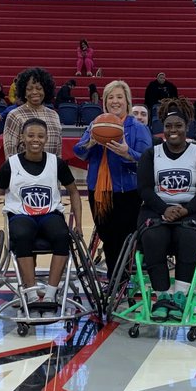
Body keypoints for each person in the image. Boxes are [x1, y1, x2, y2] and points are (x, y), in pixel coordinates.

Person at [136, 98, 196, 320]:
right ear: (163, 129)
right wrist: (164, 209)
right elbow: (144, 189)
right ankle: (162, 295)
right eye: (169, 126)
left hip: (190, 211)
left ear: (186, 127)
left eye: (178, 126)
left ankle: (180, 295)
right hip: (156, 209)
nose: (173, 130)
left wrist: (186, 209)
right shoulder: (151, 154)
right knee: (153, 237)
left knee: (188, 236)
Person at [0, 119, 83, 304]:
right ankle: (30, 293)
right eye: (31, 135)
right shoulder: (11, 164)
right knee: (22, 235)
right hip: (21, 215)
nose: (35, 140)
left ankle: (50, 292)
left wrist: (78, 224)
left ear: (46, 138)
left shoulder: (57, 163)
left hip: (49, 214)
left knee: (62, 235)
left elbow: (73, 191)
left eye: (40, 136)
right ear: (23, 137)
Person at [73, 80, 153, 278]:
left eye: (119, 97)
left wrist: (128, 154)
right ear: (104, 102)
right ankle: (113, 280)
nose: (115, 101)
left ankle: (124, 281)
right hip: (99, 190)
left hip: (128, 191)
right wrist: (90, 142)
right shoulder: (96, 124)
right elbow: (79, 152)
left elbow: (148, 160)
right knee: (108, 238)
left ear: (127, 101)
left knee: (125, 239)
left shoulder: (137, 127)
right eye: (110, 97)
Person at [2, 67, 63, 156]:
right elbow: (10, 152)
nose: (34, 92)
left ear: (45, 90)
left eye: (39, 88)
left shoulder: (54, 115)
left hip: (51, 169)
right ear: (24, 92)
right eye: (29, 89)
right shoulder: (15, 115)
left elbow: (58, 151)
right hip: (23, 169)